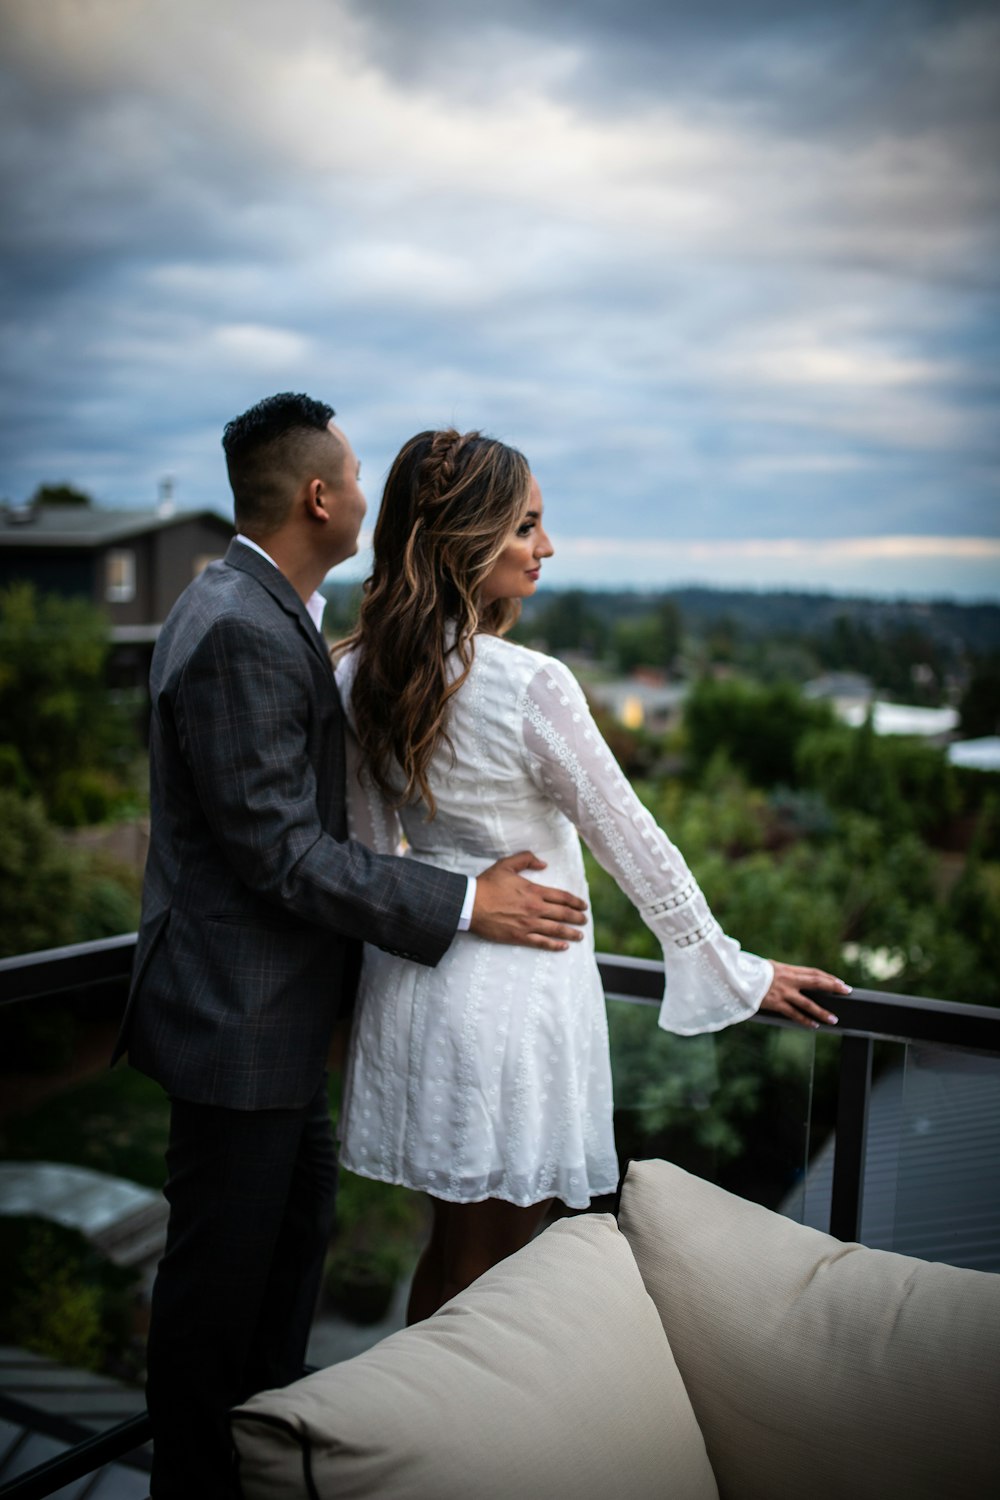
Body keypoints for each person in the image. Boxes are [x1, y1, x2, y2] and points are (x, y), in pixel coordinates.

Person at [111, 395, 588, 1498]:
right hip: (236, 1024)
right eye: (359, 471)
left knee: (281, 1277)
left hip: (269, 1022)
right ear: (320, 495)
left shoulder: (261, 610)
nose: (368, 492)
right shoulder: (235, 624)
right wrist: (468, 904)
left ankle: (268, 1469)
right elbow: (283, 853)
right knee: (219, 1301)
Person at [334, 427, 851, 1323]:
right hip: (514, 1005)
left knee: (452, 1257)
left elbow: (375, 860)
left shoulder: (356, 673)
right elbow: (632, 838)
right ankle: (459, 1452)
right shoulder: (531, 686)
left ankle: (416, 1444)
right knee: (494, 1279)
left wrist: (456, 890)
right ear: (466, 536)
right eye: (526, 526)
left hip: (420, 995)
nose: (548, 547)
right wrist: (733, 967)